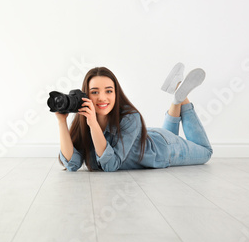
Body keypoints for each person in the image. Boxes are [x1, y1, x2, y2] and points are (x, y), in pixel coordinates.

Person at [56, 63, 213, 172]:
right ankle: (177, 93)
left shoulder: (131, 117)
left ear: (117, 94)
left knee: (205, 152)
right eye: (95, 92)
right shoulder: (83, 121)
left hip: (163, 148)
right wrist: (62, 121)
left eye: (109, 91)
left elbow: (111, 165)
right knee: (170, 134)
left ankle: (180, 92)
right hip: (148, 136)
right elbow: (72, 164)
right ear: (86, 95)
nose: (102, 98)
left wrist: (93, 125)